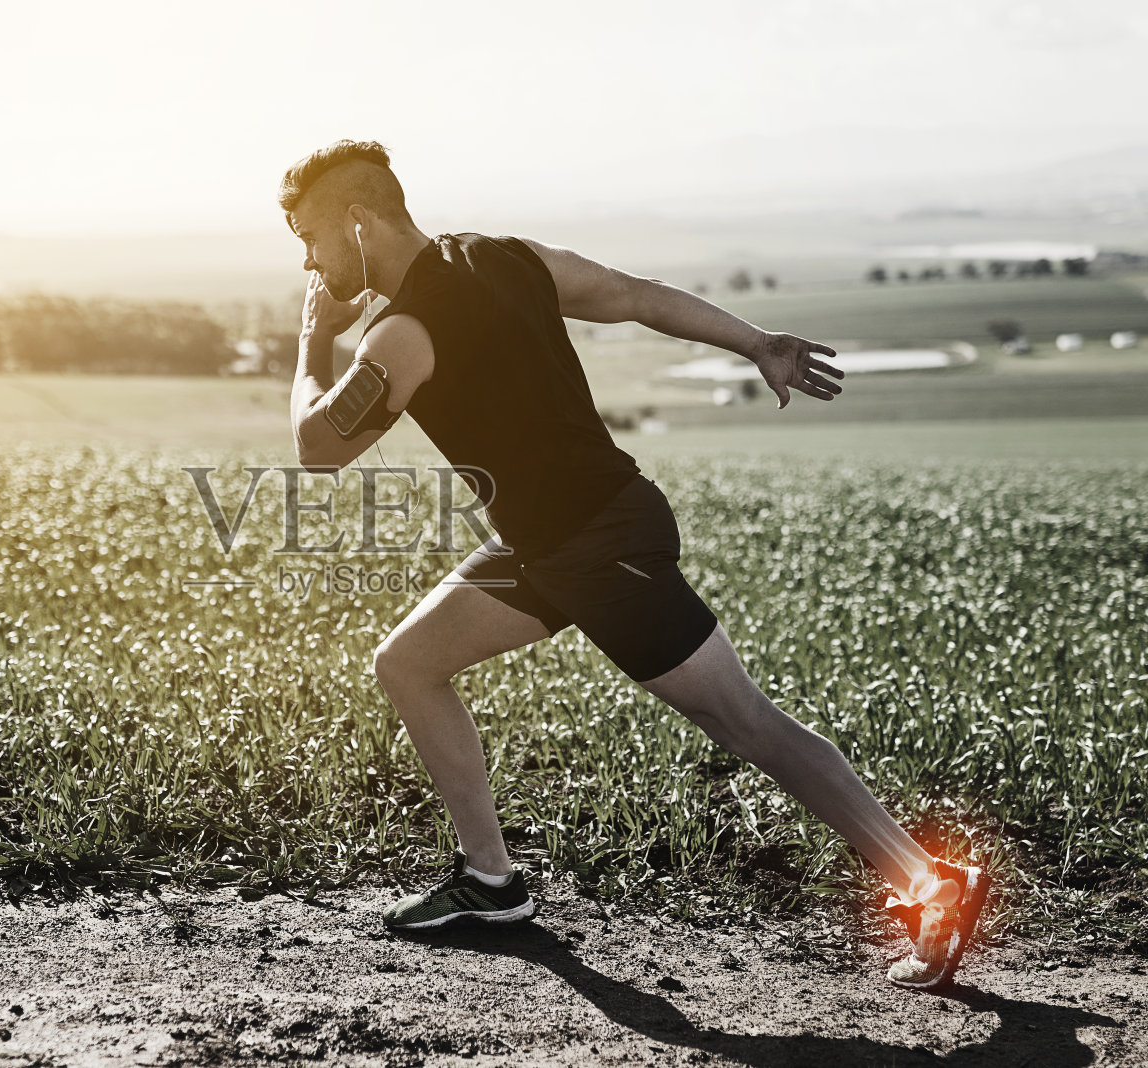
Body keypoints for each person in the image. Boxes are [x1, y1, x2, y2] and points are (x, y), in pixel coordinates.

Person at [277, 139, 989, 991]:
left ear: (358, 221)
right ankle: (491, 882)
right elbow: (633, 296)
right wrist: (756, 341)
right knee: (410, 662)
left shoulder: (402, 334)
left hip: (599, 547)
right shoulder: (507, 258)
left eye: (311, 239)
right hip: (548, 546)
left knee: (744, 722)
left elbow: (317, 448)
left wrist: (312, 340)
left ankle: (928, 879)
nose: (310, 263)